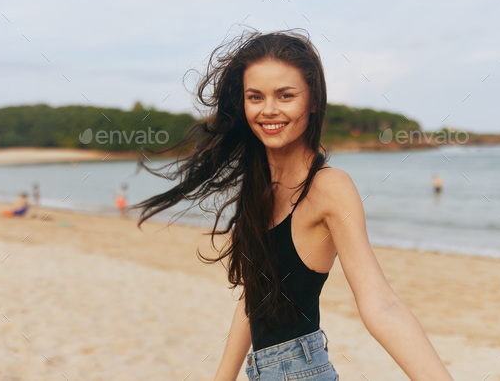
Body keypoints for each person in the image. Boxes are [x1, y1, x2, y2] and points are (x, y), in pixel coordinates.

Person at [135, 29, 452, 380]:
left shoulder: (329, 186)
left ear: (312, 100)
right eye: (255, 97)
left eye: (285, 96)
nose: (269, 110)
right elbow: (256, 297)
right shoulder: (260, 185)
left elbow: (381, 303)